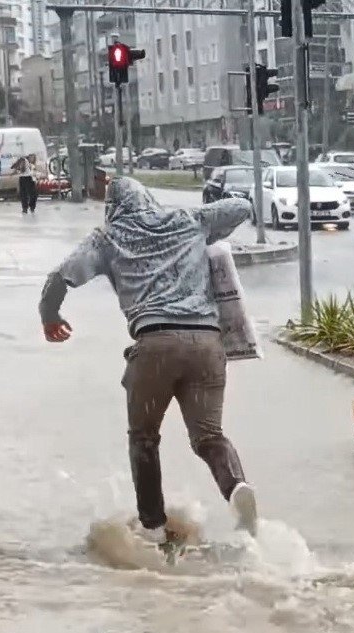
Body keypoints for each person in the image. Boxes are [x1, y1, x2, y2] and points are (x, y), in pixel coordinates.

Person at [38, 177, 259, 552]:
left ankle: (154, 527)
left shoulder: (108, 237)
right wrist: (209, 218)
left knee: (143, 438)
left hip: (154, 343)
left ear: (113, 208)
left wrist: (49, 315)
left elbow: (61, 276)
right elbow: (241, 207)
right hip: (207, 345)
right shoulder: (188, 219)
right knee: (209, 437)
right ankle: (236, 487)